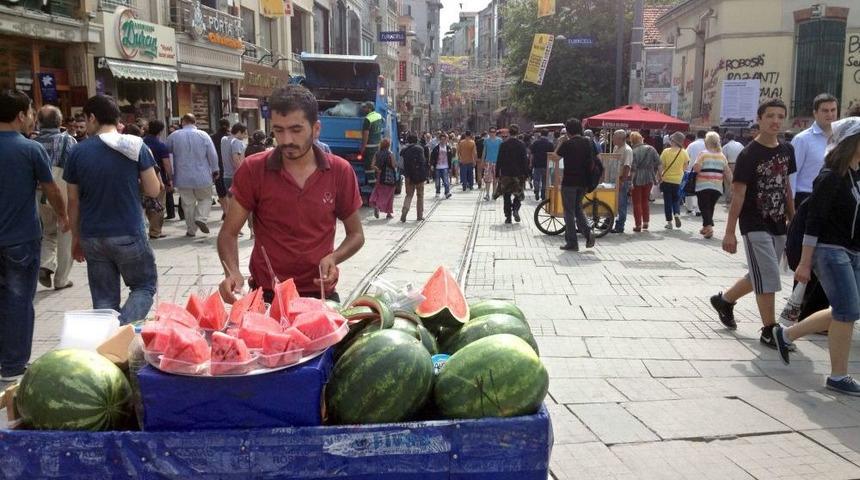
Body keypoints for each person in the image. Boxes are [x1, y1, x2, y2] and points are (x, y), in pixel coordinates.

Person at [218, 85, 364, 304]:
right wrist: (232, 272)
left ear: (316, 129)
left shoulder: (340, 171)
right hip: (267, 294)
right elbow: (228, 234)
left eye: (296, 130)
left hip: (320, 294)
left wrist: (334, 257)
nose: (286, 140)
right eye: (279, 130)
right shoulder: (253, 169)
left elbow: (356, 235)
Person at [772, 117, 860, 395]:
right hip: (829, 250)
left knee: (846, 309)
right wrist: (805, 262)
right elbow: (814, 221)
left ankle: (786, 334)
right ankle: (838, 376)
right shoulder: (830, 176)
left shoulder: (856, 174)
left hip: (853, 249)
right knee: (847, 311)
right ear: (852, 142)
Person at [64, 94, 161, 325]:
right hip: (128, 231)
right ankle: (119, 330)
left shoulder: (78, 151)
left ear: (93, 118)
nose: (85, 126)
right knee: (144, 286)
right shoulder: (135, 145)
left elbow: (73, 201)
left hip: (93, 235)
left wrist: (76, 238)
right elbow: (154, 190)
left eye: (86, 121)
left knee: (104, 300)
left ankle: (108, 341)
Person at [710, 99, 796, 349]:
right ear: (759, 119)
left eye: (780, 116)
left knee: (759, 272)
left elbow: (786, 186)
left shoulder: (787, 150)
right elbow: (738, 194)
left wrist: (793, 218)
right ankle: (769, 330)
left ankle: (725, 300)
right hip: (754, 222)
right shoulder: (749, 154)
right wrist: (729, 233)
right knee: (768, 274)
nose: (776, 121)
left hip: (778, 221)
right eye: (770, 116)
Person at [0, 90, 68, 382]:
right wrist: (64, 215)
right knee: (18, 301)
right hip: (21, 239)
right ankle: (13, 366)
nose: (31, 118)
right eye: (30, 113)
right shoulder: (29, 149)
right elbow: (51, 189)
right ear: (20, 116)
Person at [33, 105, 77, 290]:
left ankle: (45, 264)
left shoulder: (32, 142)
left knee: (48, 231)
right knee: (66, 233)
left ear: (39, 122)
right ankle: (61, 279)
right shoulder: (69, 141)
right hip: (62, 188)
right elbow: (75, 169)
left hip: (38, 192)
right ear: (59, 122)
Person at [167, 113, 219, 237]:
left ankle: (191, 230)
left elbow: (168, 155)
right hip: (202, 176)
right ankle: (201, 217)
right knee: (206, 199)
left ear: (182, 122)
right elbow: (212, 154)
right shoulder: (204, 135)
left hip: (182, 176)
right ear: (195, 122)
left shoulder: (173, 136)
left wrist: (170, 174)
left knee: (188, 203)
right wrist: (215, 169)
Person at [556, 118, 596, 251]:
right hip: (584, 182)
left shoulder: (567, 144)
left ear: (567, 131)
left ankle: (572, 242)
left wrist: (561, 142)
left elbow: (555, 157)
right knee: (578, 209)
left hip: (569, 182)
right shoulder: (588, 142)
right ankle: (588, 233)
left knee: (569, 212)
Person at [791, 93, 838, 207]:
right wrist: (790, 208)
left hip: (835, 198)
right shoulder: (802, 139)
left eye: (833, 110)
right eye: (825, 111)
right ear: (815, 113)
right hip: (807, 198)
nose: (830, 114)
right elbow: (791, 175)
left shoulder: (841, 139)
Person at [693, 132, 732, 239]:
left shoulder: (703, 154)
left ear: (707, 141)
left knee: (704, 207)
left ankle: (709, 228)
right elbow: (727, 171)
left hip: (703, 185)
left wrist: (695, 165)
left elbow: (697, 168)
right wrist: (731, 185)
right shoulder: (721, 155)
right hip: (717, 186)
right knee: (710, 207)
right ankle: (705, 227)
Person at [143, 120, 173, 236]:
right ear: (161, 131)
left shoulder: (142, 142)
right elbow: (166, 164)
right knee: (158, 205)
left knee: (147, 204)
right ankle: (155, 231)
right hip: (157, 179)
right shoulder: (161, 145)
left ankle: (151, 228)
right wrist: (170, 178)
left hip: (142, 177)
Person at [494, 124, 529, 224]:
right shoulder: (521, 145)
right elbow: (524, 160)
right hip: (518, 174)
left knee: (506, 195)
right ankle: (516, 209)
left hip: (506, 174)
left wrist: (497, 173)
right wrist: (526, 173)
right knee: (518, 194)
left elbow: (499, 159)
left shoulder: (504, 145)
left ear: (509, 132)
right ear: (518, 133)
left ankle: (508, 217)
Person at [629, 131, 661, 232]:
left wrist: (631, 182)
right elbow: (659, 163)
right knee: (645, 200)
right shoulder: (651, 149)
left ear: (632, 141)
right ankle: (646, 222)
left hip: (637, 177)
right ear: (641, 138)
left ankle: (638, 225)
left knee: (636, 202)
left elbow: (633, 168)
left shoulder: (633, 151)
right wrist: (660, 175)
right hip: (649, 177)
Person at [659, 132, 689, 230]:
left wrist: (659, 177)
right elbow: (685, 166)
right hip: (678, 180)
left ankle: (669, 222)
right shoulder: (684, 152)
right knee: (676, 200)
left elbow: (661, 166)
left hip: (666, 179)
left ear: (673, 141)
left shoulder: (666, 151)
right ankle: (677, 214)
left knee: (667, 201)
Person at [220, 123, 248, 220]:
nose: (245, 136)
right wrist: (242, 174)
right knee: (238, 204)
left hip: (226, 175)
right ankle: (234, 225)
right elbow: (236, 159)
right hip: (235, 175)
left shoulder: (224, 140)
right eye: (244, 134)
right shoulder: (237, 142)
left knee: (230, 201)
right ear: (239, 132)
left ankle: (230, 220)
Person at [400, 133, 428, 222]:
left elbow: (401, 165)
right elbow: (423, 162)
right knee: (420, 196)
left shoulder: (404, 150)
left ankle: (405, 210)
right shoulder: (420, 149)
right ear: (417, 140)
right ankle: (419, 215)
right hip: (419, 176)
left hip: (408, 176)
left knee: (409, 195)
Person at [610, 130, 633, 233]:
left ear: (620, 139)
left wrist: (622, 180)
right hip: (613, 179)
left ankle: (620, 226)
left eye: (614, 137)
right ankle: (608, 223)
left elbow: (627, 166)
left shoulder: (627, 150)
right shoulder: (616, 147)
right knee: (612, 201)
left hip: (621, 180)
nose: (612, 139)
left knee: (621, 203)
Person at [368, 138, 397, 219]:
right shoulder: (390, 154)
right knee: (389, 195)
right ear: (388, 145)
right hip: (389, 177)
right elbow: (394, 165)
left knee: (378, 191)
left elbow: (372, 165)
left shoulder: (377, 153)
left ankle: (381, 208)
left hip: (379, 176)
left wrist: (378, 169)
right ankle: (386, 212)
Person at [211, 119, 231, 217]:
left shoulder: (213, 137)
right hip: (229, 167)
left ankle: (226, 211)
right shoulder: (230, 138)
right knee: (229, 191)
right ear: (228, 126)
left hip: (217, 166)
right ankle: (228, 213)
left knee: (221, 192)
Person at [684, 130, 707, 216]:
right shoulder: (707, 145)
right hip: (704, 170)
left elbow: (686, 157)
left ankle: (689, 208)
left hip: (691, 170)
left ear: (697, 135)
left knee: (689, 189)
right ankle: (698, 209)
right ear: (705, 136)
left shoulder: (691, 145)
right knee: (701, 190)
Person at [529, 129, 553, 202]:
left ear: (541, 134)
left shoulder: (536, 143)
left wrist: (530, 163)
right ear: (547, 134)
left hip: (537, 164)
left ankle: (536, 190)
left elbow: (532, 154)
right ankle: (543, 194)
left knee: (536, 179)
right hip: (546, 164)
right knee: (545, 180)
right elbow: (552, 155)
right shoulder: (550, 144)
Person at [722, 132, 745, 204]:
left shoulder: (725, 146)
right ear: (734, 137)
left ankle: (729, 199)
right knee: (739, 182)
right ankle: (738, 198)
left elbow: (723, 159)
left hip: (729, 165)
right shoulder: (740, 145)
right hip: (740, 165)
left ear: (726, 138)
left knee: (728, 183)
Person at [360, 101, 383, 172]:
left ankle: (371, 183)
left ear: (369, 109)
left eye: (365, 108)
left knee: (368, 167)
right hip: (377, 145)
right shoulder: (379, 116)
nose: (363, 109)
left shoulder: (368, 119)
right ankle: (375, 181)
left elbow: (366, 135)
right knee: (374, 165)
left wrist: (363, 148)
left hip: (369, 147)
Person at [430, 132, 453, 199]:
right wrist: (431, 165)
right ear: (439, 140)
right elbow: (432, 156)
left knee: (446, 180)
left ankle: (447, 192)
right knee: (437, 181)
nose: (443, 141)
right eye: (441, 139)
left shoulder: (448, 148)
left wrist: (450, 167)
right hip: (437, 166)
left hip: (445, 166)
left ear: (446, 140)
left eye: (444, 139)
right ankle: (437, 192)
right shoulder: (436, 148)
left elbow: (450, 158)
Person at [482, 127, 502, 201]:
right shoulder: (486, 141)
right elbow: (484, 151)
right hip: (488, 162)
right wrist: (482, 161)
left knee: (495, 179)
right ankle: (487, 194)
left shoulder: (499, 140)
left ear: (495, 132)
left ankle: (494, 193)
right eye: (491, 132)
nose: (492, 133)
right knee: (487, 179)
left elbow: (501, 152)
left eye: (494, 132)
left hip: (497, 162)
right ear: (489, 132)